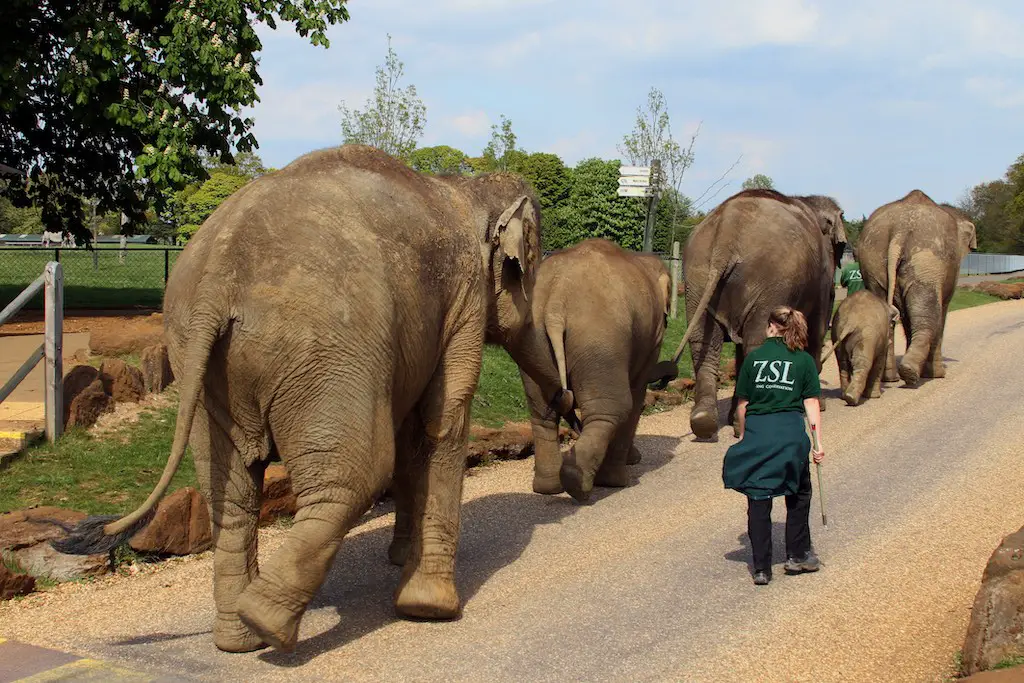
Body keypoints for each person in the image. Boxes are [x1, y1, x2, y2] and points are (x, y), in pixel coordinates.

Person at [722, 305, 825, 586]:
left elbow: (742, 405)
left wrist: (745, 437)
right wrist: (817, 444)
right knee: (798, 493)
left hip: (759, 435)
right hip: (791, 438)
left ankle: (761, 568)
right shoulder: (803, 361)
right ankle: (797, 555)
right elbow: (811, 403)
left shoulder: (753, 359)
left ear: (770, 327)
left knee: (758, 497)